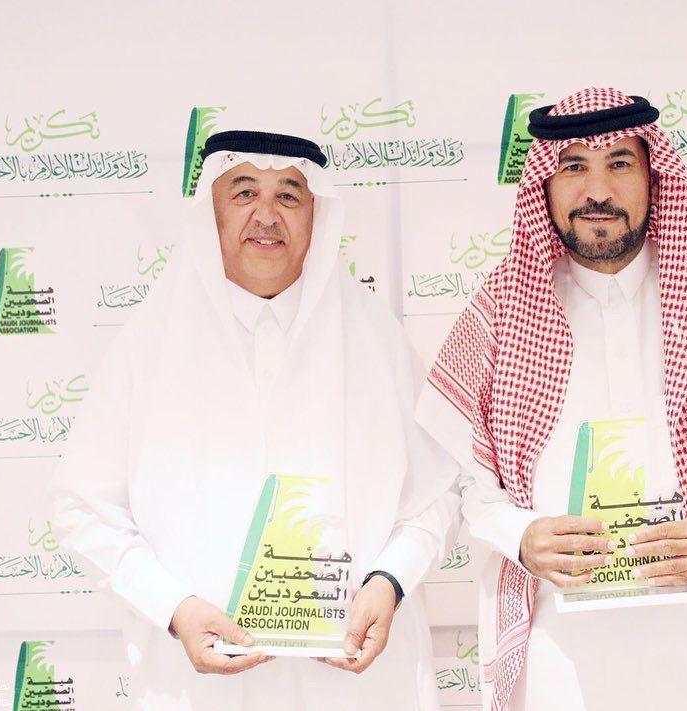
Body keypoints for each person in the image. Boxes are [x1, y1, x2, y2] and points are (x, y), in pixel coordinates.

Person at [416, 87, 687, 711]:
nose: (598, 191)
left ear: (653, 176)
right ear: (546, 184)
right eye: (574, 167)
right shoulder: (502, 311)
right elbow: (459, 479)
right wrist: (520, 535)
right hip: (557, 649)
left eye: (619, 163)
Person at [50, 126, 458, 710]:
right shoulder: (151, 345)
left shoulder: (374, 339)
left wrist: (389, 582)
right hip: (202, 690)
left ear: (316, 216)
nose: (266, 216)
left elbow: (437, 495)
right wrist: (173, 607)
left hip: (355, 686)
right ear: (211, 213)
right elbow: (82, 506)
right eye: (244, 193)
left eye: (289, 195)